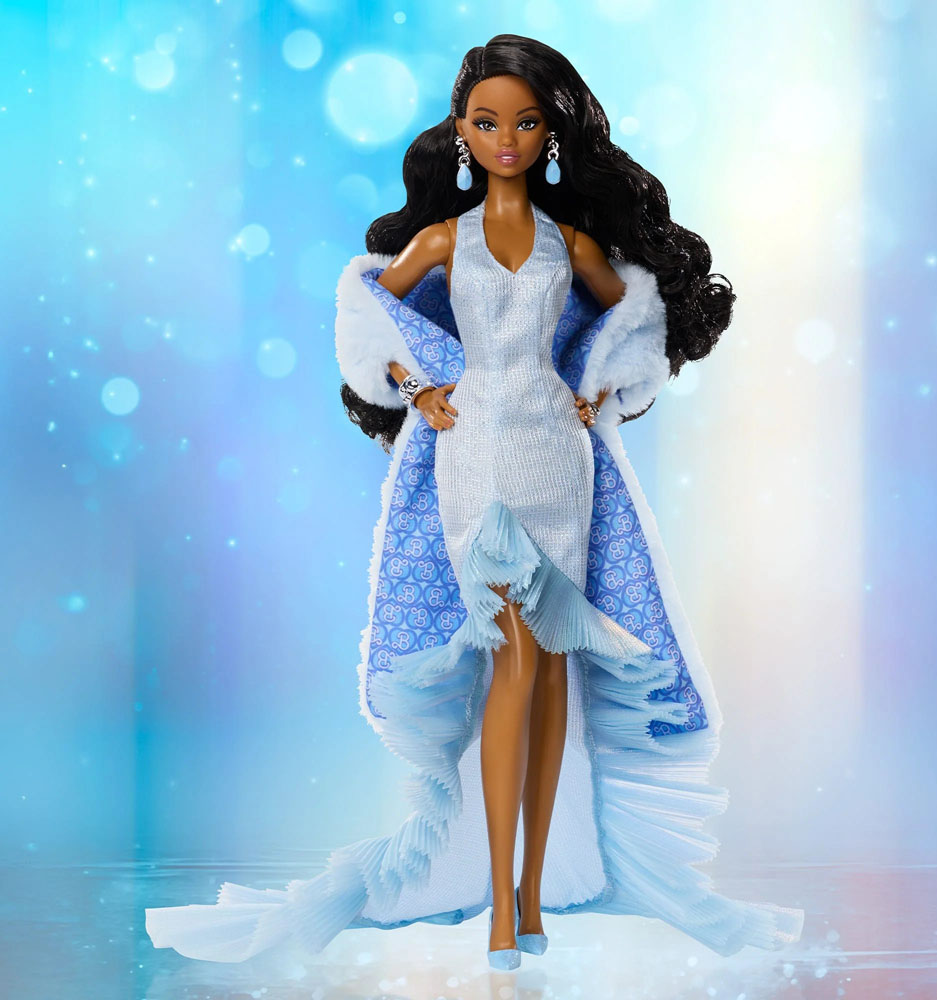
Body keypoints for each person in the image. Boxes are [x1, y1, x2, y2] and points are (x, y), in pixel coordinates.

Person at [145, 33, 804, 969]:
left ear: (549, 136)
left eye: (525, 123)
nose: (506, 139)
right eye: (488, 123)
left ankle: (529, 897)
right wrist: (414, 387)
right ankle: (503, 900)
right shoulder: (442, 240)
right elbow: (365, 309)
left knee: (551, 672)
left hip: (556, 458)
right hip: (473, 451)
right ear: (461, 130)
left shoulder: (572, 244)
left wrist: (604, 386)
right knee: (515, 662)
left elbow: (636, 313)